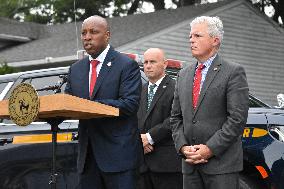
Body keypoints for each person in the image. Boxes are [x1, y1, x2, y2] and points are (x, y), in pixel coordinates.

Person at [170, 16, 249, 189]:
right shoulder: (183, 74)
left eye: (197, 36)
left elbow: (237, 119)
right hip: (190, 166)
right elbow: (175, 117)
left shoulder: (233, 72)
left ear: (215, 40)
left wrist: (210, 148)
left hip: (222, 167)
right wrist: (182, 147)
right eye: (190, 36)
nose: (191, 40)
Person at [65, 15, 142, 189]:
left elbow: (129, 104)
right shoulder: (75, 69)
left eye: (93, 32)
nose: (87, 37)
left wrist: (90, 106)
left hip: (119, 157)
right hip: (87, 158)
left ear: (107, 35)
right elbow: (68, 103)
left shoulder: (126, 65)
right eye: (84, 33)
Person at [137, 48, 182, 189]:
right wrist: (139, 141)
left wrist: (149, 137)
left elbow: (176, 118)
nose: (148, 65)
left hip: (167, 166)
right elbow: (132, 120)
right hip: (142, 165)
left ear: (165, 64)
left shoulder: (176, 87)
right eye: (145, 62)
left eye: (152, 62)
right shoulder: (140, 90)